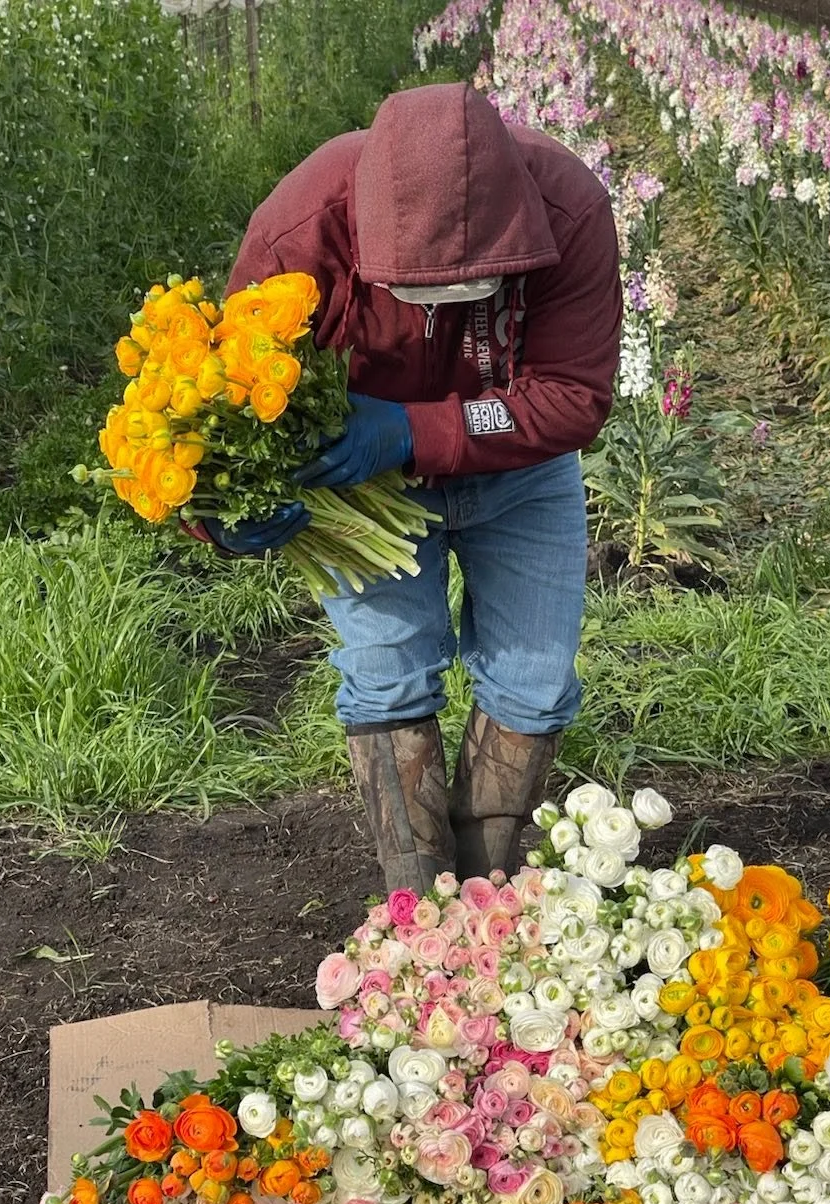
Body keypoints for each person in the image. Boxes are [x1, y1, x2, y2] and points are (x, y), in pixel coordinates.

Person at [190, 82, 622, 894]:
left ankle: (485, 901)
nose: (442, 301)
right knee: (387, 673)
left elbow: (573, 396)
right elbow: (230, 411)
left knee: (534, 684)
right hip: (365, 487)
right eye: (416, 287)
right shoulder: (303, 226)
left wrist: (412, 430)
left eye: (471, 286)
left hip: (517, 468)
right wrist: (226, 520)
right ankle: (420, 916)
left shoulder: (567, 208)